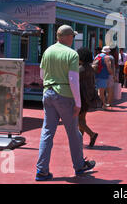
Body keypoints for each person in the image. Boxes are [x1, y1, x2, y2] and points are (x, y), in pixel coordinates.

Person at [36, 25, 95, 181]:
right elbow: (73, 80)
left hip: (48, 93)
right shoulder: (72, 54)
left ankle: (41, 170)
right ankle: (79, 165)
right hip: (65, 95)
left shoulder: (48, 51)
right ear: (67, 37)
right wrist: (78, 103)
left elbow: (42, 75)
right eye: (73, 36)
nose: (73, 39)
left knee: (47, 132)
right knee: (73, 133)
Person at [77, 47, 99, 148]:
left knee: (78, 120)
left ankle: (92, 134)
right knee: (82, 119)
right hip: (88, 97)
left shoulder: (80, 70)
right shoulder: (90, 68)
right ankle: (79, 138)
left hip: (81, 97)